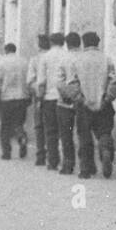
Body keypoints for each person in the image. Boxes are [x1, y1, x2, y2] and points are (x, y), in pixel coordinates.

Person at [66, 31, 116, 179]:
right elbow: (114, 82)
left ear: (84, 43)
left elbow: (72, 84)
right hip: (103, 103)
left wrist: (80, 98)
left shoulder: (77, 60)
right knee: (104, 131)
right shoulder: (106, 59)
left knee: (84, 136)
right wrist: (108, 98)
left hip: (84, 105)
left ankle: (86, 168)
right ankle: (105, 150)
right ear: (97, 43)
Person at [0, 43, 31, 160]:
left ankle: (6, 153)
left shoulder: (2, 62)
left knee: (5, 125)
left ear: (6, 50)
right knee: (19, 123)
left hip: (6, 97)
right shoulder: (24, 61)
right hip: (22, 96)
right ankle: (21, 137)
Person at [37, 32, 66, 170]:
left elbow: (41, 81)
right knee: (65, 130)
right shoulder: (68, 55)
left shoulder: (45, 57)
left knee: (51, 130)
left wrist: (39, 97)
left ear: (51, 42)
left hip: (49, 97)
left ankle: (53, 161)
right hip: (65, 97)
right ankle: (66, 160)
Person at [55, 31, 82, 174]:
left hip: (65, 103)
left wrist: (69, 95)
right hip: (82, 101)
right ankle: (86, 165)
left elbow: (59, 83)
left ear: (67, 44)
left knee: (66, 134)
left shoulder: (64, 59)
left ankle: (68, 164)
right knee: (83, 133)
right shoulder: (84, 58)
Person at [28, 33, 50, 166]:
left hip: (40, 96)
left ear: (39, 45)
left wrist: (37, 92)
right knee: (53, 127)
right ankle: (54, 154)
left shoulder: (35, 59)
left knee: (39, 126)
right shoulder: (59, 57)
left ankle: (41, 155)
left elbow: (30, 80)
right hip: (57, 96)